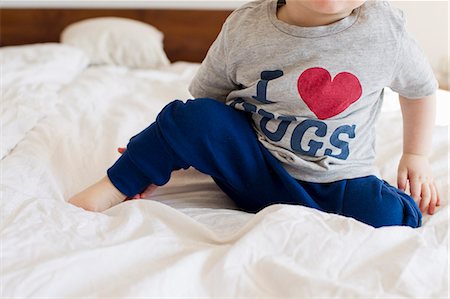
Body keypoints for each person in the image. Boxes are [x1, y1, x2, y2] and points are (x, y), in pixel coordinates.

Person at [69, 0, 440, 228]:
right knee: (190, 118)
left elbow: (421, 88)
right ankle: (115, 185)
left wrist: (415, 155)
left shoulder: (384, 31)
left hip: (336, 180)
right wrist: (168, 154)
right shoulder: (246, 27)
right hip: (255, 171)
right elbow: (208, 106)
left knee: (393, 218)